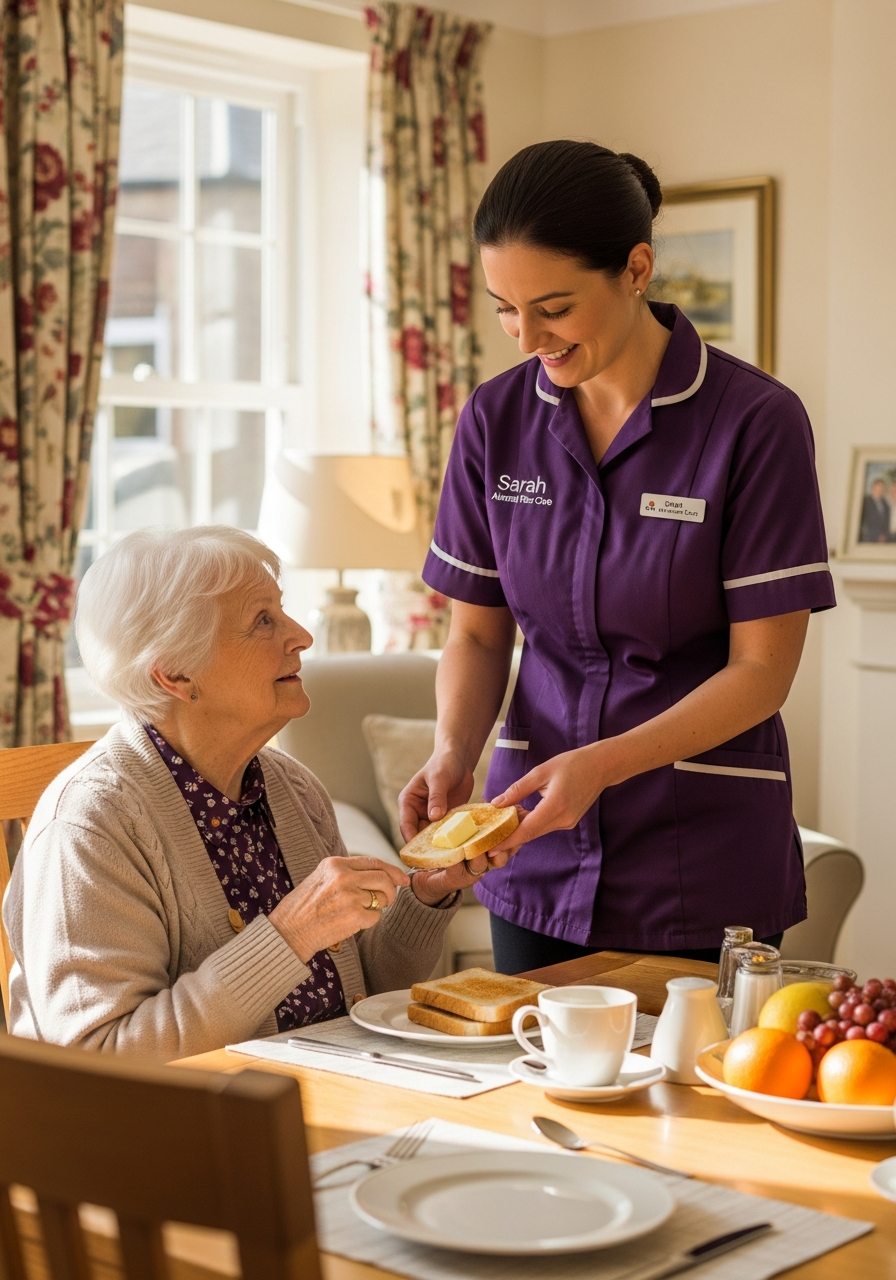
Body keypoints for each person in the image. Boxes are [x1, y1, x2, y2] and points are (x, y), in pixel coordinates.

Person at [399, 140, 836, 974]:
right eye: (503, 309)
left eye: (554, 308)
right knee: (526, 1097)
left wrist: (602, 765)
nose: (527, 338)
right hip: (533, 850)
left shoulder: (755, 423)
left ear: (636, 269)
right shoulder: (496, 421)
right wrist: (454, 751)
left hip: (702, 855)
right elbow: (479, 637)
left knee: (693, 1099)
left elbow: (761, 673)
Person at [3, 527, 475, 1058]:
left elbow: (362, 982)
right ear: (175, 674)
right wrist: (289, 935)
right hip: (191, 1130)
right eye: (263, 621)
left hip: (335, 1088)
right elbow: (100, 1060)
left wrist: (426, 893)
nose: (301, 635)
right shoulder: (90, 824)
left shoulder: (292, 787)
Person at [859, 476, 890, 543]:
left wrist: (883, 535)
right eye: (879, 486)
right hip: (869, 538)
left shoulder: (885, 503)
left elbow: (886, 522)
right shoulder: (865, 502)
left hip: (884, 539)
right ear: (873, 487)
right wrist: (877, 535)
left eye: (882, 487)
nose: (880, 489)